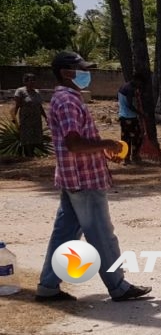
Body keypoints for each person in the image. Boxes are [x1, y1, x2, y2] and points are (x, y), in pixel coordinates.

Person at [35, 51, 152, 303]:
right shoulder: (68, 101)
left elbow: (77, 142)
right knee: (102, 234)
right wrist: (106, 143)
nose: (86, 74)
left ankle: (48, 286)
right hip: (84, 180)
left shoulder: (64, 98)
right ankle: (118, 286)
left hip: (73, 178)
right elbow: (74, 143)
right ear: (66, 72)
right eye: (82, 69)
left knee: (64, 236)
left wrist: (102, 151)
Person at [12, 73, 46, 157]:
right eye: (30, 80)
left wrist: (46, 117)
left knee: (36, 136)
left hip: (36, 118)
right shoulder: (20, 91)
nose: (32, 82)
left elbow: (40, 106)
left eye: (34, 80)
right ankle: (28, 155)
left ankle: (32, 154)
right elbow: (17, 105)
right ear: (25, 82)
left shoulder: (37, 92)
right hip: (26, 119)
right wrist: (14, 117)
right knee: (27, 137)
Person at [117, 74, 144, 163]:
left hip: (123, 116)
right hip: (130, 117)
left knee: (125, 138)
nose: (140, 85)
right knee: (137, 138)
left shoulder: (123, 86)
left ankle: (126, 158)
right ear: (136, 80)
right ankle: (135, 156)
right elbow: (130, 105)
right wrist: (140, 113)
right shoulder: (130, 89)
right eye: (140, 83)